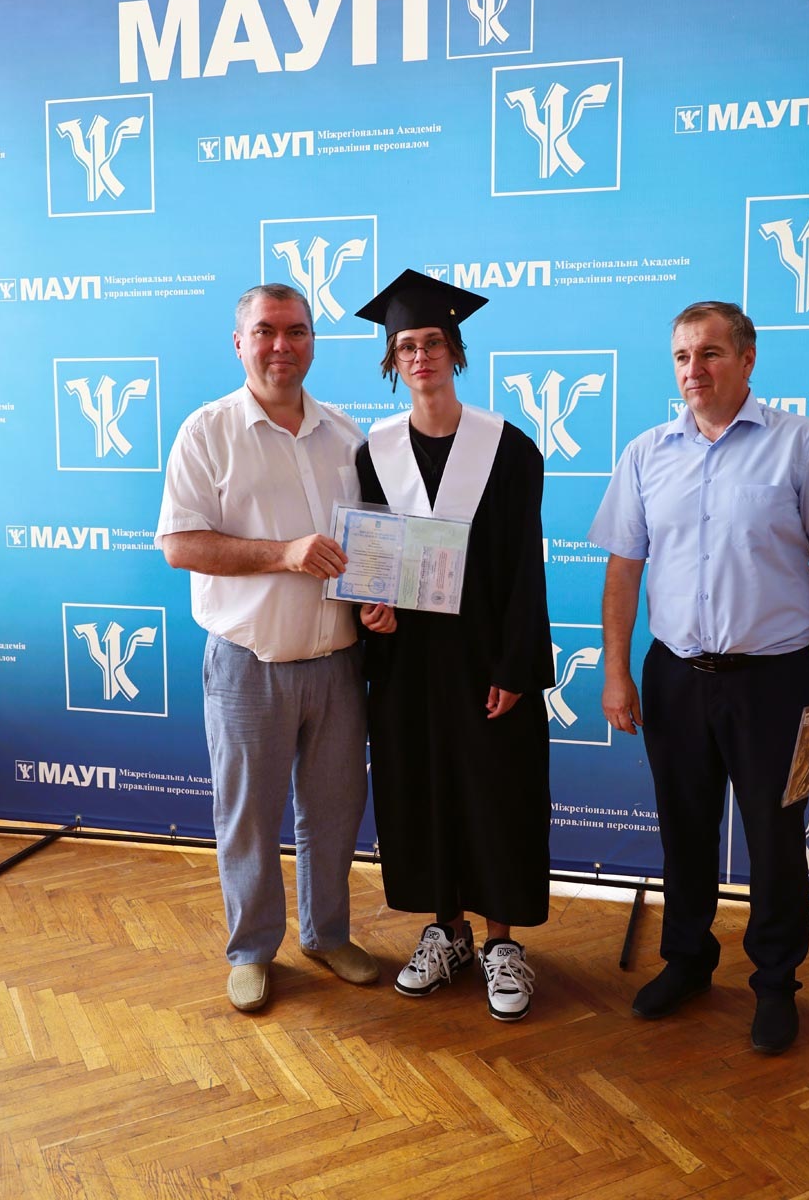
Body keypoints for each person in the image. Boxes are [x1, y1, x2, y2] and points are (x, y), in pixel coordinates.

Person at [589, 301, 809, 1055]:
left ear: (746, 359)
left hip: (773, 682)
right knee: (684, 829)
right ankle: (686, 960)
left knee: (774, 839)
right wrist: (616, 670)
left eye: (709, 353)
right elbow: (623, 568)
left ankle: (774, 983)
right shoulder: (647, 452)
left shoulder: (798, 444)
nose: (693, 370)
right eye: (682, 356)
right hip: (674, 676)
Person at [155, 282, 392, 1012]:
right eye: (265, 331)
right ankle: (252, 950)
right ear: (240, 344)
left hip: (338, 662)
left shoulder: (346, 434)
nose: (281, 345)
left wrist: (377, 594)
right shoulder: (207, 431)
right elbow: (180, 545)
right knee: (249, 817)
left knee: (334, 813)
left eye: (295, 331)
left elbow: (368, 542)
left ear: (313, 342)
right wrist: (283, 554)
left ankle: (326, 935)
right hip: (247, 665)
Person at [353, 269, 553, 1022]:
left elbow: (524, 569)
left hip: (486, 657)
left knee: (496, 789)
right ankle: (448, 931)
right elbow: (373, 560)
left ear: (455, 351)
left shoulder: (509, 449)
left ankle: (502, 942)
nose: (421, 356)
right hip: (408, 663)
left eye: (433, 342)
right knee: (425, 786)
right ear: (391, 359)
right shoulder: (372, 454)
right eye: (406, 345)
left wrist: (515, 665)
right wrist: (371, 614)